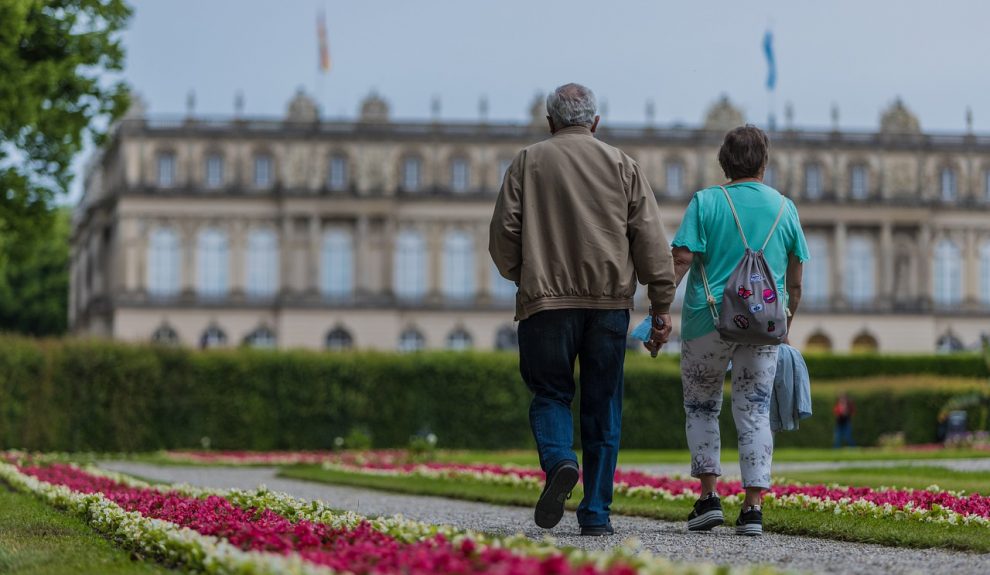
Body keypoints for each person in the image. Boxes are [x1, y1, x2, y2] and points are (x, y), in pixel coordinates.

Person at [490, 83, 676, 536]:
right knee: (602, 405)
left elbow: (502, 239)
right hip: (609, 305)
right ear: (595, 122)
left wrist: (526, 275)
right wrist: (661, 305)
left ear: (550, 121)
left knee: (550, 393)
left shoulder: (527, 162)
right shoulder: (622, 164)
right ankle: (595, 513)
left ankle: (558, 462)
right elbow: (651, 242)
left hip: (545, 304)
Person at [649, 125, 808, 536]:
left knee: (702, 407)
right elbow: (795, 281)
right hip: (764, 325)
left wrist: (660, 310)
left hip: (707, 320)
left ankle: (708, 499)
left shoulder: (705, 202)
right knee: (754, 412)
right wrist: (784, 324)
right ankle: (753, 509)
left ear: (724, 162)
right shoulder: (784, 208)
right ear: (764, 162)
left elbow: (681, 261)